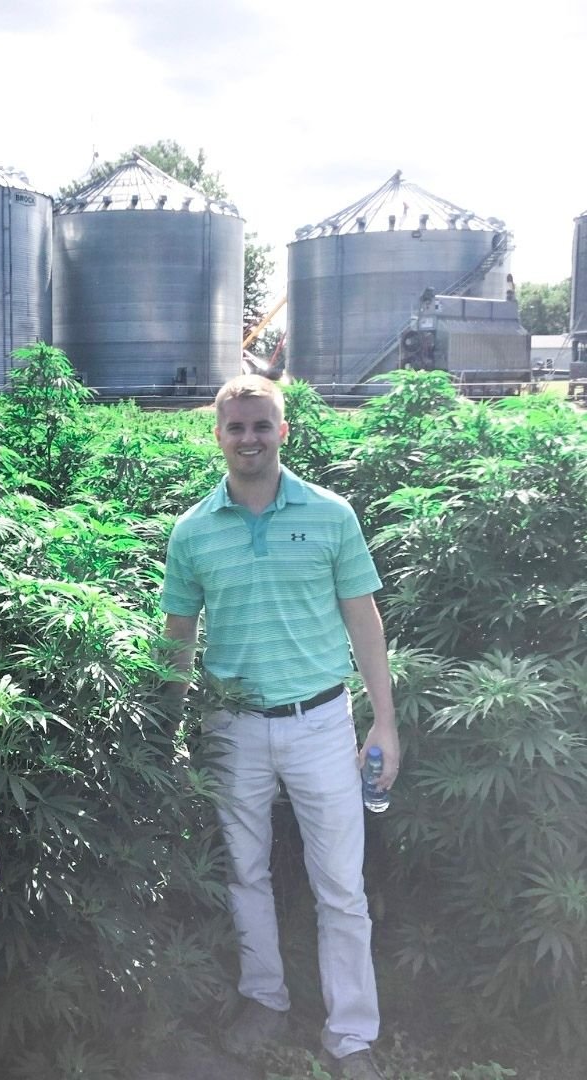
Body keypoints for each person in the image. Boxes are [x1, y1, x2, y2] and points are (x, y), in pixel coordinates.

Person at [161, 375, 400, 1080]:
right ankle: (263, 999)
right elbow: (177, 636)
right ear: (217, 436)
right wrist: (165, 731)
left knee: (341, 885)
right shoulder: (193, 530)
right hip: (232, 727)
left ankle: (352, 1035)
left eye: (262, 426)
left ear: (284, 432)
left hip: (323, 721)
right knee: (245, 872)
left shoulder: (331, 515)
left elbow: (365, 619)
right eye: (235, 427)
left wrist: (384, 719)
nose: (249, 439)